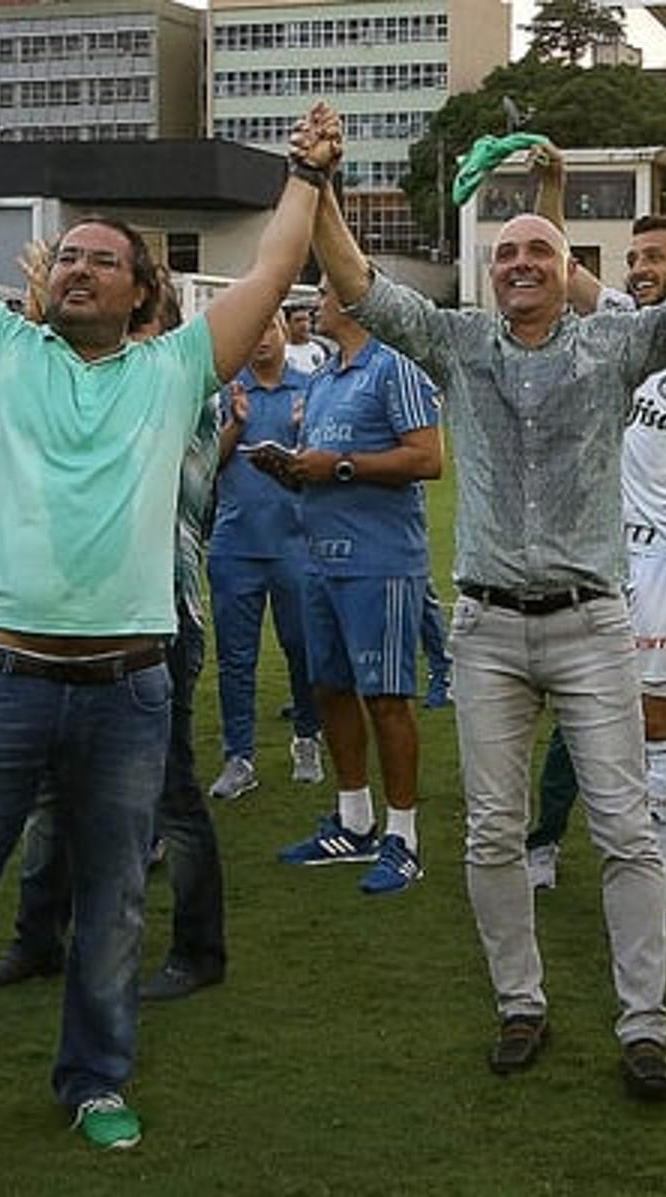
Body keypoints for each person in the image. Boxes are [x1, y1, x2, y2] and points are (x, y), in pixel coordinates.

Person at [0, 57, 336, 1157]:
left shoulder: (174, 373)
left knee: (113, 905)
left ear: (140, 289)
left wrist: (303, 172)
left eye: (101, 261)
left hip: (127, 688)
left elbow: (278, 263)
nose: (75, 269)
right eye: (67, 254)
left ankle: (95, 1080)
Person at [308, 127, 666, 1100]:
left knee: (620, 828)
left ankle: (643, 1026)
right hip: (485, 630)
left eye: (540, 250)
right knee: (491, 832)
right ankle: (520, 1005)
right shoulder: (456, 340)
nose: (522, 263)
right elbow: (355, 280)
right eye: (507, 253)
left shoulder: (614, 342)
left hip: (589, 624)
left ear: (568, 269)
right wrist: (316, 184)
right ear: (491, 274)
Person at [0, 277, 229, 1003]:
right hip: (75, 621)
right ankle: (36, 936)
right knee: (51, 791)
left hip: (159, 617)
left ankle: (198, 946)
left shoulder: (179, 385)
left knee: (172, 792)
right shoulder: (103, 379)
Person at [518, 198, 666, 907]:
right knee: (633, 717)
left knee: (659, 724)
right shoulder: (626, 321)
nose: (638, 270)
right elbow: (555, 262)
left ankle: (649, 885)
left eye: (653, 258)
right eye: (632, 259)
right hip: (613, 558)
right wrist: (553, 186)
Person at [273, 287, 442, 894]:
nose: (316, 301)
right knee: (331, 689)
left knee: (388, 697)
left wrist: (340, 465)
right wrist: (293, 466)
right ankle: (353, 821)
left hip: (381, 562)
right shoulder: (324, 375)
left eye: (326, 292)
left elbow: (428, 458)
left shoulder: (393, 366)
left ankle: (404, 837)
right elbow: (320, 462)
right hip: (322, 559)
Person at [206, 311, 326, 800]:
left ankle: (307, 737)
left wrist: (303, 433)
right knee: (236, 658)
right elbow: (206, 463)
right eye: (251, 331)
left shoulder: (310, 387)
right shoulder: (227, 390)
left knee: (302, 650)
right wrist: (236, 426)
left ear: (283, 334)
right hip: (236, 544)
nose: (260, 340)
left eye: (269, 329)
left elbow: (323, 460)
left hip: (295, 544)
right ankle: (239, 756)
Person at [283, 300, 329, 373]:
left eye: (306, 320)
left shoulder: (321, 348)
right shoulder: (281, 351)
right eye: (298, 320)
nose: (304, 325)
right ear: (287, 324)